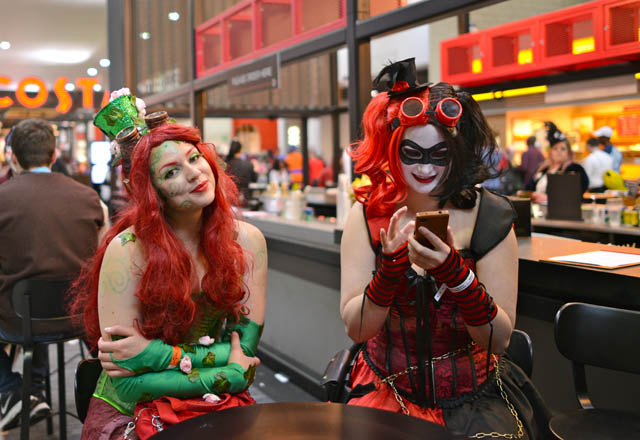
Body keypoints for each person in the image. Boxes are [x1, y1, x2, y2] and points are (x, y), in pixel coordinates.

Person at [340, 58, 552, 438]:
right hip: (386, 392)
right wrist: (389, 272)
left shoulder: (490, 217)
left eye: (439, 155)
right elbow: (357, 329)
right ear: (392, 149)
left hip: (475, 401)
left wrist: (456, 275)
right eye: (412, 153)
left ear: (458, 153)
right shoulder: (368, 217)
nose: (425, 169)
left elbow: (498, 339)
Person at [72, 91, 266, 440]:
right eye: (172, 172)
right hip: (131, 412)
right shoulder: (127, 250)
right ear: (153, 192)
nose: (194, 174)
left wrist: (155, 355)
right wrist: (231, 372)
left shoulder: (248, 241)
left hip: (217, 404)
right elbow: (128, 383)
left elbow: (247, 349)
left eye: (194, 158)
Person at [0, 119, 109, 431]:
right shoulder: (89, 197)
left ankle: (10, 389)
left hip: (20, 317)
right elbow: (106, 259)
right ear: (54, 154)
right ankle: (35, 392)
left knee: (21, 307)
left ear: (13, 157)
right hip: (79, 317)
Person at [526, 122, 589, 203]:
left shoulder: (575, 169)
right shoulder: (543, 169)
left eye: (563, 149)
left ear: (568, 152)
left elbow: (575, 193)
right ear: (550, 152)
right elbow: (529, 187)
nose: (559, 151)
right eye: (555, 148)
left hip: (560, 209)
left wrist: (548, 198)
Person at [225, 140, 257, 206]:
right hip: (245, 199)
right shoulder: (248, 164)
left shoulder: (225, 164)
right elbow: (254, 179)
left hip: (228, 200)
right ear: (240, 150)